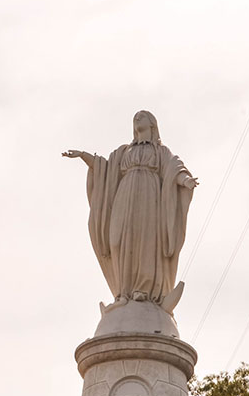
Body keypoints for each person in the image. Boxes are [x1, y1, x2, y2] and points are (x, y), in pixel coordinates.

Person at [63, 111, 197, 311]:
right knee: (118, 240)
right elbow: (105, 170)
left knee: (145, 240)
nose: (137, 118)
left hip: (149, 197)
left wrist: (185, 181)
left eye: (142, 116)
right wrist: (84, 156)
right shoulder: (124, 152)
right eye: (135, 116)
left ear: (152, 125)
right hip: (124, 197)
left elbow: (174, 170)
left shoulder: (160, 151)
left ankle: (143, 290)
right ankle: (123, 291)